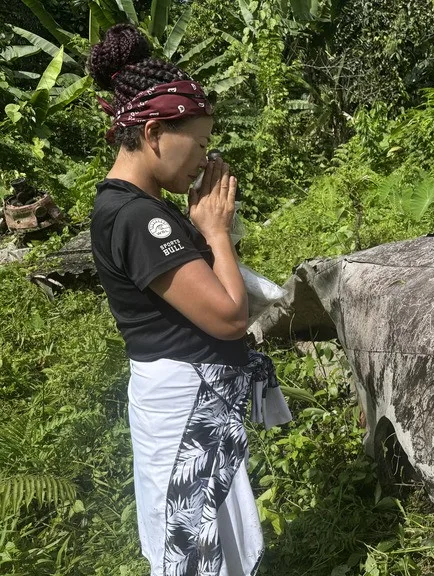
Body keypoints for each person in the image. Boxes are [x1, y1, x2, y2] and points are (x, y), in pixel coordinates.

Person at [87, 23, 288, 576]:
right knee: (194, 547)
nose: (205, 158)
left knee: (208, 539)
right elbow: (227, 316)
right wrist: (216, 230)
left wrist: (205, 224)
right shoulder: (136, 217)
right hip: (183, 408)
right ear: (155, 133)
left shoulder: (140, 207)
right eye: (198, 144)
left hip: (191, 404)